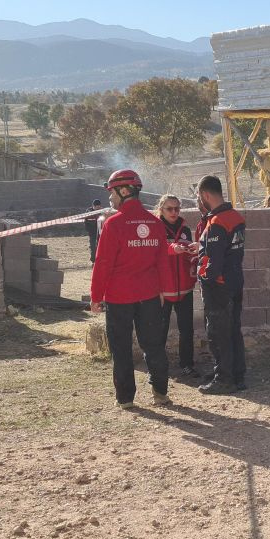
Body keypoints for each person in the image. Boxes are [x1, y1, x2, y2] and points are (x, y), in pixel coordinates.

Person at [89, 169, 172, 409]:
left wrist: (96, 297)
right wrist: (165, 291)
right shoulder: (155, 223)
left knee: (122, 347)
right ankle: (160, 393)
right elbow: (163, 262)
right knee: (154, 344)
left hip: (119, 298)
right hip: (149, 296)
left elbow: (103, 264)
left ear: (124, 191)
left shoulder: (114, 224)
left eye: (112, 193)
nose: (111, 198)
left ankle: (125, 399)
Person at [195, 176, 246, 394]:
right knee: (233, 329)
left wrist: (202, 275)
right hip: (235, 280)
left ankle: (224, 379)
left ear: (205, 195)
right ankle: (236, 374)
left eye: (199, 197)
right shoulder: (235, 216)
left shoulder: (216, 223)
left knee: (218, 332)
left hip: (219, 285)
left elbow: (213, 263)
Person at [156, 194, 199, 377]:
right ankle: (158, 366)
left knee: (187, 329)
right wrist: (172, 249)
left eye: (177, 208)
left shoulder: (185, 229)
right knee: (160, 330)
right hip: (163, 290)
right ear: (161, 210)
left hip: (184, 288)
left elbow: (189, 257)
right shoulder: (155, 228)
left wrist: (193, 250)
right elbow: (153, 253)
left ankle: (187, 364)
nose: (174, 212)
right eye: (169, 209)